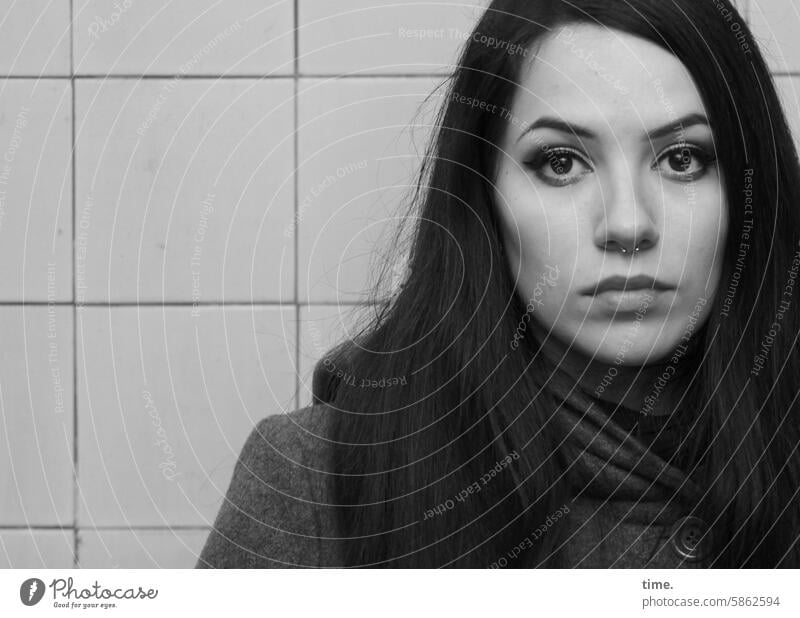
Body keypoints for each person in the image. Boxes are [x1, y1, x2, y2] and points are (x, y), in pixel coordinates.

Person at [197, 0, 800, 568]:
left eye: (682, 159)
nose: (629, 225)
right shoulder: (314, 484)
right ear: (483, 197)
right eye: (561, 162)